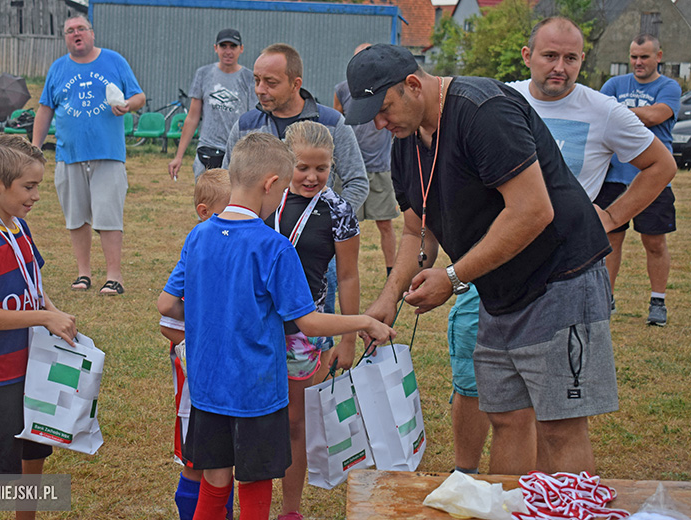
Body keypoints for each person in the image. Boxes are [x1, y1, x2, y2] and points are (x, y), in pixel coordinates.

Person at [347, 43, 618, 475]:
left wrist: (453, 278)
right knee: (506, 417)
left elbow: (532, 210)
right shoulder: (406, 140)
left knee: (560, 427)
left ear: (413, 85)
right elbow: (419, 230)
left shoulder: (484, 111)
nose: (379, 124)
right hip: (500, 292)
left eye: (383, 110)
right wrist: (389, 296)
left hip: (561, 279)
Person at [434, 17, 677, 474]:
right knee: (488, 395)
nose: (560, 68)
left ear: (583, 60)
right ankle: (474, 477)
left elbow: (660, 166)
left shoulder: (602, 110)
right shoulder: (498, 100)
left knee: (558, 416)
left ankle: (555, 502)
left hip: (560, 275)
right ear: (528, 57)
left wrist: (608, 217)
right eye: (550, 56)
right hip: (492, 265)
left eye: (571, 58)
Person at [157, 132, 394, 520]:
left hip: (207, 387)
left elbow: (167, 303)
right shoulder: (274, 246)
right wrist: (365, 321)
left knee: (215, 481)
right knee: (254, 484)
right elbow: (309, 322)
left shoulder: (198, 235)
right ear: (271, 184)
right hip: (257, 391)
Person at [0, 134, 77, 520]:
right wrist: (44, 317)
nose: (36, 195)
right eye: (29, 186)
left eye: (38, 186)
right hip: (2, 373)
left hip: (36, 366)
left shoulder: (19, 227)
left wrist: (55, 314)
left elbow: (34, 289)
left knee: (35, 451)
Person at [264, 121, 360, 520]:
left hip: (304, 334)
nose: (312, 177)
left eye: (322, 168)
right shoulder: (265, 199)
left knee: (293, 423)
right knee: (253, 419)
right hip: (256, 326)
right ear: (287, 162)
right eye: (303, 167)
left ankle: (290, 510)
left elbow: (350, 275)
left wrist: (350, 338)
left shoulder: (338, 211)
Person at [32, 14, 145, 296]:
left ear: (92, 34)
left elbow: (139, 96)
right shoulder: (58, 68)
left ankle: (113, 277)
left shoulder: (114, 61)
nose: (76, 34)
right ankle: (83, 274)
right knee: (76, 218)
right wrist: (34, 148)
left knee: (108, 216)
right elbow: (45, 109)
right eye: (70, 31)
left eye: (81, 28)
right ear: (66, 38)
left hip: (108, 154)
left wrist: (128, 105)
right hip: (69, 155)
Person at [160, 169, 233, 520]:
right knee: (196, 461)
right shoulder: (198, 251)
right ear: (204, 212)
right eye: (227, 211)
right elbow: (168, 321)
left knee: (224, 461)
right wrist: (203, 337)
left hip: (229, 378)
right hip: (197, 384)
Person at [595, 33, 682, 326]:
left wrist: (617, 114)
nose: (637, 62)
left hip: (653, 180)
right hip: (613, 178)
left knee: (654, 243)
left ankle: (658, 302)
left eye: (644, 57)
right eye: (633, 56)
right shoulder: (614, 85)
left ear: (659, 56)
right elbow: (598, 116)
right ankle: (605, 299)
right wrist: (626, 115)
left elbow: (657, 115)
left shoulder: (669, 86)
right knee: (609, 241)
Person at [223, 43, 368, 212]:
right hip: (259, 236)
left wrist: (331, 221)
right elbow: (227, 182)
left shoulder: (333, 124)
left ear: (295, 84)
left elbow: (357, 183)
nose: (260, 90)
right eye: (256, 80)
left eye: (271, 82)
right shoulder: (244, 127)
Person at [334, 43, 399, 279]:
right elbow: (337, 123)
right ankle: (346, 271)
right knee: (346, 226)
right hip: (350, 171)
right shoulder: (342, 90)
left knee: (385, 224)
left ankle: (392, 272)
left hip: (379, 168)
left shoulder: (388, 90)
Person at [167, 29, 257, 182]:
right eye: (223, 46)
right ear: (216, 48)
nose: (228, 51)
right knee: (205, 202)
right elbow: (192, 117)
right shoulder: (203, 74)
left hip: (236, 153)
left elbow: (253, 120)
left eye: (233, 46)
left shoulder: (249, 78)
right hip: (206, 150)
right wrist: (179, 156)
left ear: (241, 49)